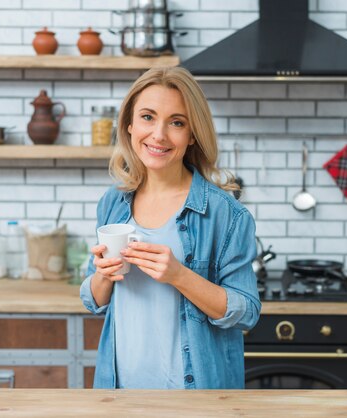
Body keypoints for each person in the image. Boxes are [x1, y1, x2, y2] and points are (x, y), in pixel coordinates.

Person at [80, 66, 261, 389]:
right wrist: (103, 274)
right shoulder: (113, 202)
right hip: (120, 392)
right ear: (130, 124)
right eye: (148, 117)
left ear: (192, 134)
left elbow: (247, 312)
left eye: (176, 122)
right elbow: (93, 299)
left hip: (193, 398)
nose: (159, 135)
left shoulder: (226, 214)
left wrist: (179, 275)